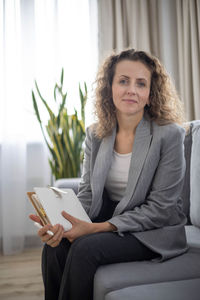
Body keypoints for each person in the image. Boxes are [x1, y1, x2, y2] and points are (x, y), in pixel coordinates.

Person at [29, 49, 188, 300]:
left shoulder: (169, 135)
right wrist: (59, 223)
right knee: (55, 246)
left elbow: (161, 209)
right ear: (110, 88)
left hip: (153, 229)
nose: (131, 90)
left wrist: (96, 229)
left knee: (84, 248)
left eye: (141, 83)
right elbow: (88, 194)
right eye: (123, 81)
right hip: (111, 213)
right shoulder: (96, 134)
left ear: (150, 94)